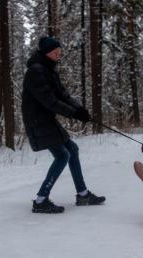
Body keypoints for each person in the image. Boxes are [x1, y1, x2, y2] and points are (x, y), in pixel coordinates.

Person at [22, 36, 105, 213]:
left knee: (72, 150)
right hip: (38, 121)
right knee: (62, 155)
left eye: (60, 52)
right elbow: (49, 100)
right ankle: (40, 200)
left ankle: (82, 194)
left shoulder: (49, 70)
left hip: (46, 119)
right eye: (55, 52)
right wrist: (73, 113)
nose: (59, 55)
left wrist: (80, 110)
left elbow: (63, 95)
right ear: (46, 53)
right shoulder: (36, 71)